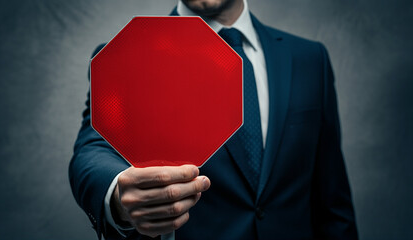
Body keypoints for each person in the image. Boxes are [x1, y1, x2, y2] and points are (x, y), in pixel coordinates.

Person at [69, 0, 359, 239]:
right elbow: (93, 150)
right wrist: (118, 194)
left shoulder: (310, 59)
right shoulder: (127, 56)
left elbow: (332, 201)